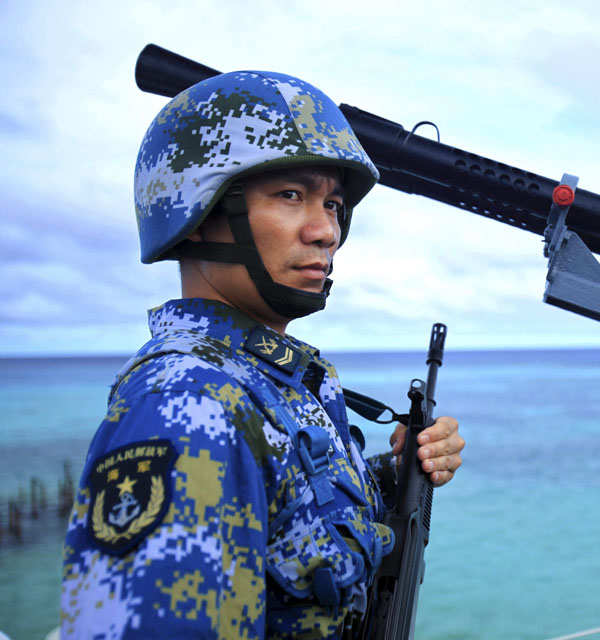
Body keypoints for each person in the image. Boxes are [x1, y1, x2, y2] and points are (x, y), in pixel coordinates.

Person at [60, 70, 464, 639]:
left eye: (334, 204)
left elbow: (286, 523)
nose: (326, 230)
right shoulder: (190, 400)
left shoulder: (265, 379)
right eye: (291, 196)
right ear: (199, 212)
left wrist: (397, 476)